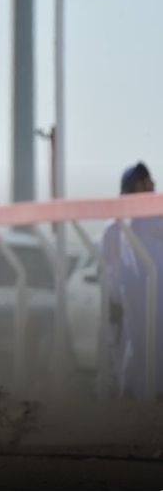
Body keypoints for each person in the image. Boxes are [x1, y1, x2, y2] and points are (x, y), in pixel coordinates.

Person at [101, 161, 163, 399]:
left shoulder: (115, 227)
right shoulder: (118, 227)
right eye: (145, 183)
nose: (151, 188)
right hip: (132, 312)